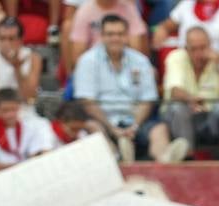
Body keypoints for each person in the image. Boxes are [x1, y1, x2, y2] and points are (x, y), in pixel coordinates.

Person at [74, 13, 181, 162]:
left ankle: (165, 159)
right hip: (104, 121)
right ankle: (116, 156)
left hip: (135, 121)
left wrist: (135, 126)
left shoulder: (141, 61)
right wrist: (112, 129)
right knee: (93, 128)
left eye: (120, 34)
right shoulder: (87, 61)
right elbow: (87, 102)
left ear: (127, 36)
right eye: (110, 34)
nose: (115, 38)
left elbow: (147, 100)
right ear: (102, 36)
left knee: (159, 129)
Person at [163, 25, 219, 159]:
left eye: (203, 48)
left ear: (210, 46)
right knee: (178, 106)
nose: (199, 54)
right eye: (194, 49)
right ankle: (186, 159)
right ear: (186, 49)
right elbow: (175, 90)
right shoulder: (176, 58)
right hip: (185, 114)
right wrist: (191, 99)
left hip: (212, 117)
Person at [0, 16, 43, 114]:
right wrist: (1, 126)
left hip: (24, 114)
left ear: (21, 39)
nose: (6, 43)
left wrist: (18, 69)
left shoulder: (33, 58)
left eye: (11, 39)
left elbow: (30, 97)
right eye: (2, 39)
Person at [153, 0, 219, 58]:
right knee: (174, 58)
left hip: (214, 63)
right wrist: (161, 31)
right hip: (184, 61)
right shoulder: (185, 5)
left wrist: (207, 57)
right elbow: (165, 27)